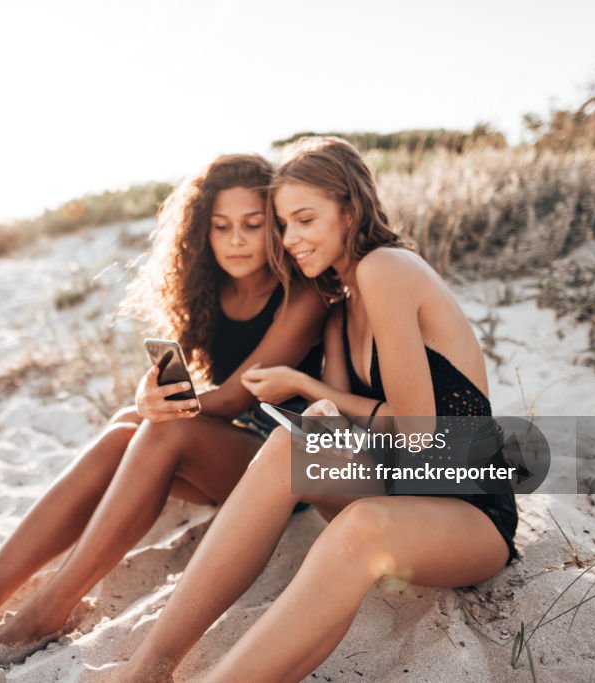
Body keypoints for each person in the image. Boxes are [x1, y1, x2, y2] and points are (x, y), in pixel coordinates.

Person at [121, 137, 520, 682]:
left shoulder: (388, 269)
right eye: (284, 224)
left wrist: (303, 384)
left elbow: (420, 430)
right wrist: (319, 411)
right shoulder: (340, 309)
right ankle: (148, 667)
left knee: (361, 526)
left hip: (469, 510)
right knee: (290, 445)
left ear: (349, 209)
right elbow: (342, 422)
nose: (291, 239)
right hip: (399, 487)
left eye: (306, 219)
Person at [0, 154, 327, 664]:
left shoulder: (303, 294)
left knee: (162, 432)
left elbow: (235, 397)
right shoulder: (213, 287)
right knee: (123, 428)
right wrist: (148, 396)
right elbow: (193, 384)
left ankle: (50, 610)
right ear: (201, 231)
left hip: (290, 467)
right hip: (232, 453)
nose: (236, 241)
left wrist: (160, 409)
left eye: (253, 225)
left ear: (275, 224)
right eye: (221, 227)